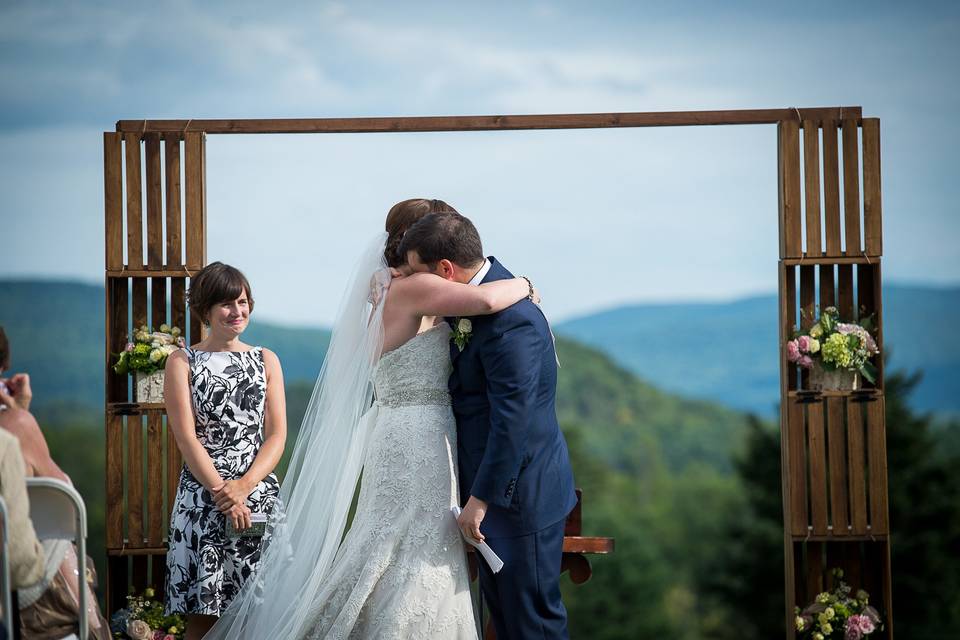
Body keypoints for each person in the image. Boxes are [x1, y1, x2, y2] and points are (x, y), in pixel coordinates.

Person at [204, 198, 537, 639]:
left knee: (395, 543)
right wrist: (526, 282)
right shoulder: (414, 289)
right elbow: (489, 297)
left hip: (400, 429)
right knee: (414, 547)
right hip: (419, 435)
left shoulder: (384, 289)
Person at [399, 212, 577, 639]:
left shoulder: (511, 321)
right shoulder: (481, 297)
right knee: (506, 620)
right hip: (497, 494)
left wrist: (481, 500)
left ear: (445, 271)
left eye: (420, 276)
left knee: (532, 623)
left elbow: (513, 420)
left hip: (518, 500)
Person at [163, 263, 287, 640]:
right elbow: (186, 439)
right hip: (203, 500)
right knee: (203, 615)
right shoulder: (181, 362)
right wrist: (225, 494)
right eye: (227, 304)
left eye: (243, 302)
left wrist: (245, 487)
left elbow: (277, 435)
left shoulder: (266, 359)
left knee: (258, 608)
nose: (238, 312)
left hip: (257, 498)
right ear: (205, 309)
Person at [0, 327, 111, 639]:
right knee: (61, 540)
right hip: (25, 591)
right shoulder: (14, 428)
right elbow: (63, 496)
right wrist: (19, 415)